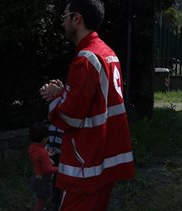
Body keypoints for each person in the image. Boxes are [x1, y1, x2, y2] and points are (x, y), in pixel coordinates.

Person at [39, 0, 135, 209]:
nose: (62, 23)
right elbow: (96, 100)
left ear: (77, 19)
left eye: (64, 17)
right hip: (106, 159)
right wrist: (65, 91)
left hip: (86, 162)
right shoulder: (107, 52)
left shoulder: (85, 58)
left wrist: (56, 99)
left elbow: (71, 116)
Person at [28, 123, 56, 211]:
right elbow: (47, 169)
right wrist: (61, 168)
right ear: (44, 138)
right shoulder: (42, 152)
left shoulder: (32, 147)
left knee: (40, 199)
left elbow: (37, 158)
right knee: (42, 201)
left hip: (36, 177)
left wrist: (47, 155)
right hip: (43, 180)